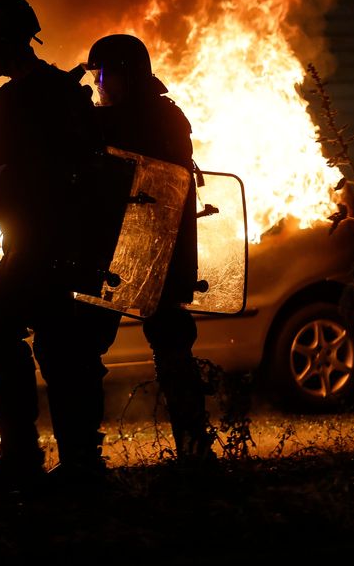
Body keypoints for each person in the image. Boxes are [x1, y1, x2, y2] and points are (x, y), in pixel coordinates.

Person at [0, 0, 118, 489]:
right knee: (63, 348)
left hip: (40, 244)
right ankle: (80, 461)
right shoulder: (66, 91)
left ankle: (23, 456)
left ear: (2, 41)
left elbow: (7, 187)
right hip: (78, 244)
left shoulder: (12, 102)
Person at [85, 33, 215, 460]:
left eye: (103, 74)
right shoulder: (164, 115)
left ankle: (87, 458)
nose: (100, 85)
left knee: (88, 347)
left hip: (143, 250)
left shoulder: (141, 119)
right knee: (167, 347)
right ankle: (194, 452)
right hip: (145, 250)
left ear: (125, 74)